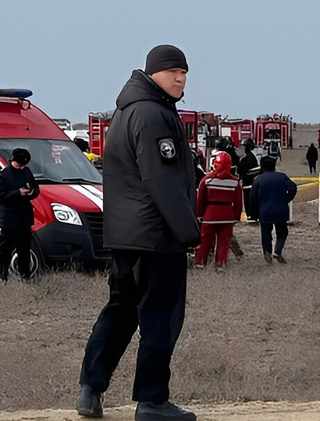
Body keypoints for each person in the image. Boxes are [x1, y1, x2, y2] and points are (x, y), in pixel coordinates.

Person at [78, 45, 199, 421]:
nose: (181, 78)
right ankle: (152, 402)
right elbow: (161, 180)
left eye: (185, 72)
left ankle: (90, 389)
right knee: (160, 316)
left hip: (125, 235)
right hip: (156, 236)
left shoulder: (126, 111)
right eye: (174, 71)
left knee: (121, 310)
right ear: (154, 74)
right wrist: (188, 232)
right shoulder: (153, 115)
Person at [195, 152, 242, 271]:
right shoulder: (235, 182)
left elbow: (200, 200)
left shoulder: (206, 180)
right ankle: (220, 264)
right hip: (227, 216)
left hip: (209, 215)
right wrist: (236, 217)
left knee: (204, 240)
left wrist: (199, 214)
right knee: (224, 242)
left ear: (215, 164)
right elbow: (238, 202)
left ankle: (200, 262)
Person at [0, 148, 40, 282]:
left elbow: (36, 188)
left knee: (25, 248)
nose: (23, 167)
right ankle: (3, 275)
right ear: (14, 161)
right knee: (6, 248)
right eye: (21, 164)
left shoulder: (27, 171)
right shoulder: (4, 175)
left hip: (25, 217)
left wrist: (32, 192)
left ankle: (25, 275)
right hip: (10, 218)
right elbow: (2, 196)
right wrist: (18, 192)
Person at [251, 156, 297, 264]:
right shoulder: (282, 176)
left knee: (266, 232)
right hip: (281, 209)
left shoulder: (258, 179)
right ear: (274, 165)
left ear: (262, 166)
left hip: (264, 210)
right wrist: (286, 199)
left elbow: (252, 197)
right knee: (282, 232)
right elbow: (293, 188)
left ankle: (267, 253)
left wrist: (253, 213)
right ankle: (278, 250)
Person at [237, 138, 260, 221]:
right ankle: (253, 215)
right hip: (252, 183)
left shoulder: (247, 158)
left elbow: (240, 170)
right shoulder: (252, 156)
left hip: (248, 183)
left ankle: (251, 215)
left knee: (248, 200)